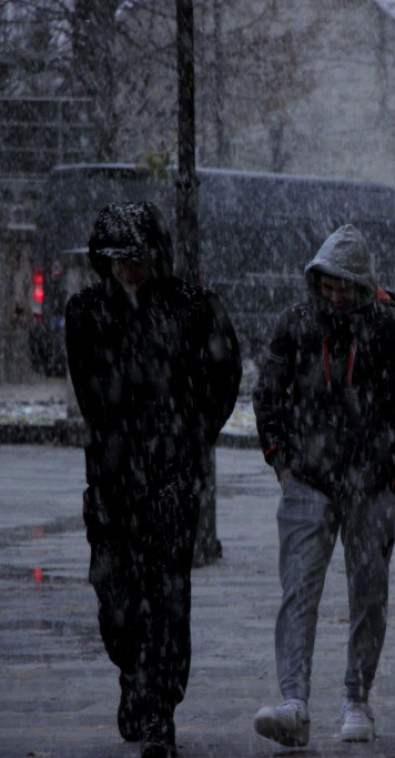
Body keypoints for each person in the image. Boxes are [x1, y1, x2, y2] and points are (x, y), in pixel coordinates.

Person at [65, 201, 242, 758]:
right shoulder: (87, 312)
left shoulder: (192, 307)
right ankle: (134, 675)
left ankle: (159, 705)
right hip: (114, 479)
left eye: (137, 259)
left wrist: (191, 438)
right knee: (115, 595)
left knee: (166, 599)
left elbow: (225, 373)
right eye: (117, 260)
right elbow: (91, 393)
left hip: (170, 475)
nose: (128, 271)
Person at [251, 224, 395, 746]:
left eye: (345, 287)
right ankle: (294, 701)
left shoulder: (394, 327)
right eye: (328, 285)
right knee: (298, 591)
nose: (335, 296)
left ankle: (357, 698)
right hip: (307, 479)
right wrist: (281, 462)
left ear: (364, 285)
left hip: (373, 484)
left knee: (368, 595)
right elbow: (269, 393)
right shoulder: (296, 323)